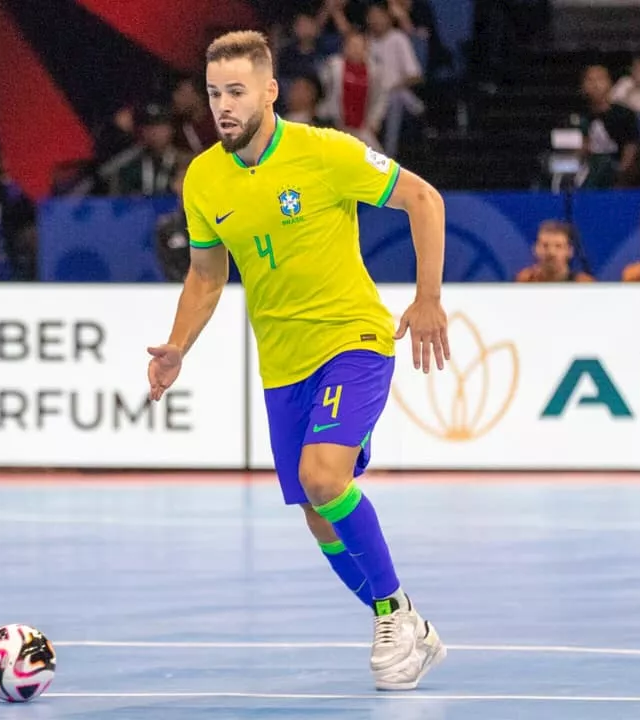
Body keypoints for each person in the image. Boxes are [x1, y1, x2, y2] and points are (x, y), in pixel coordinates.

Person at [145, 30, 450, 691]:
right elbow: (205, 274)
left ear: (269, 91)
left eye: (235, 92)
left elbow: (425, 199)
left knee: (322, 476)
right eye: (213, 93)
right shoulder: (203, 178)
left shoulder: (324, 154)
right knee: (319, 515)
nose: (222, 106)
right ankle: (407, 626)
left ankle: (395, 611)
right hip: (283, 367)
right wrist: (177, 346)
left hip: (353, 341)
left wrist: (428, 299)